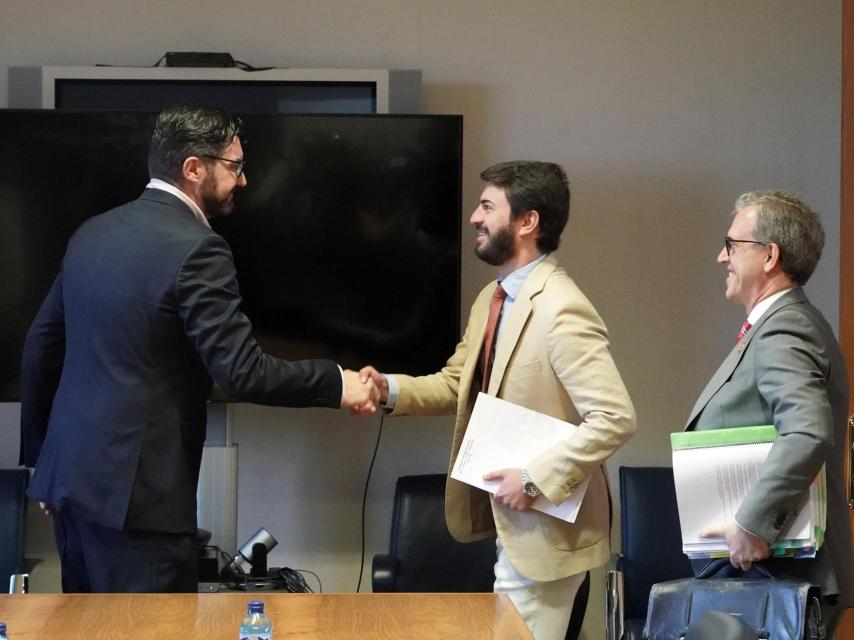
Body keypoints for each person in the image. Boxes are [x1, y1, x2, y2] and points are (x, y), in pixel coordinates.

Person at [18, 103, 379, 593]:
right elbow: (242, 373)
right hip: (140, 501)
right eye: (234, 166)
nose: (245, 180)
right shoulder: (198, 247)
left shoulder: (93, 232)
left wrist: (44, 460)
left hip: (70, 488)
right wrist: (339, 382)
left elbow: (42, 347)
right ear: (193, 168)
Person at [361, 161, 636, 640]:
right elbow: (455, 383)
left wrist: (532, 479)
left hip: (546, 529)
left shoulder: (561, 306)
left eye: (488, 206)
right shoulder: (493, 296)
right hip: (510, 524)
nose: (474, 217)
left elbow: (615, 418)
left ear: (527, 222)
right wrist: (389, 388)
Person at [685, 190, 854, 636]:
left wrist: (752, 523)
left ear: (769, 256)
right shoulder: (778, 324)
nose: (721, 257)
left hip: (783, 571)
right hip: (773, 571)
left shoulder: (785, 326)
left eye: (732, 246)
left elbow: (806, 431)